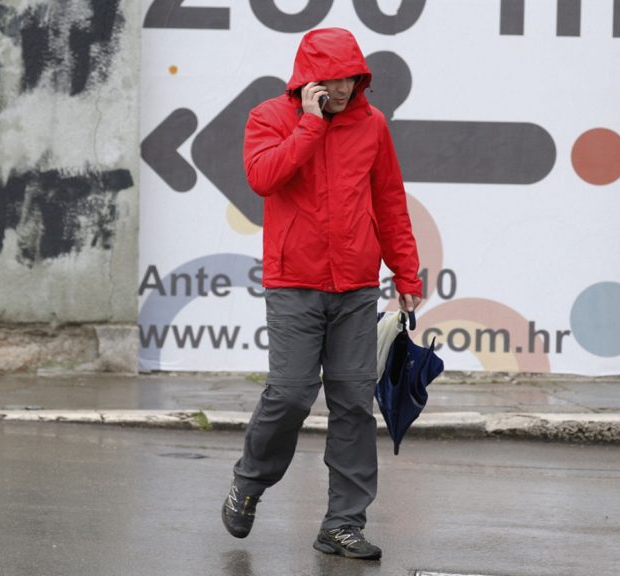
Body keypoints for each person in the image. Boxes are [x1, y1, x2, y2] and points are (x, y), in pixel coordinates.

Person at [221, 27, 423, 561]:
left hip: (356, 285)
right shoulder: (270, 118)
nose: (339, 89)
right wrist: (309, 126)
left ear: (360, 79)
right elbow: (263, 177)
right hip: (295, 284)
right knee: (289, 394)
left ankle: (343, 523)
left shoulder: (373, 125)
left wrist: (406, 275)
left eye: (348, 79)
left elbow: (389, 201)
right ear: (306, 80)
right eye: (328, 80)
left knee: (354, 404)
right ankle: (250, 480)